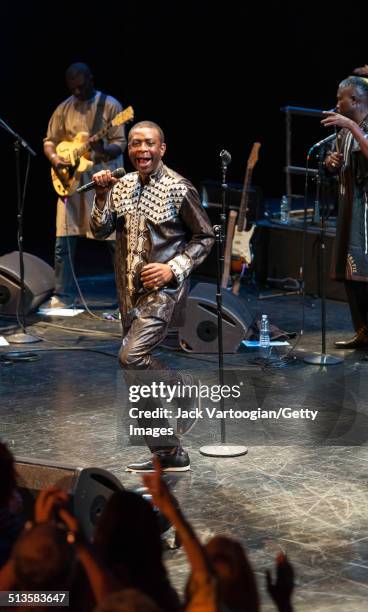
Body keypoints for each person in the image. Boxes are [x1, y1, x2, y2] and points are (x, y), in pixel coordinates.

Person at [90, 120, 215, 471]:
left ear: (162, 149)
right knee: (136, 379)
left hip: (163, 291)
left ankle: (185, 388)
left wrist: (172, 268)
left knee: (131, 357)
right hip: (129, 293)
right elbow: (98, 230)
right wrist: (101, 195)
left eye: (149, 144)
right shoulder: (123, 184)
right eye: (134, 144)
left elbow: (205, 237)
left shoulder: (179, 188)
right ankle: (168, 453)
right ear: (128, 150)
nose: (141, 150)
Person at [43, 62, 127, 308]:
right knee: (64, 240)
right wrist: (57, 160)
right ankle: (63, 296)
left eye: (81, 86)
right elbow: (50, 141)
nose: (77, 92)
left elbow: (120, 143)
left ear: (91, 79)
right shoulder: (64, 108)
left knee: (114, 241)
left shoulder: (111, 106)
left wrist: (102, 151)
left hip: (103, 180)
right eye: (73, 88)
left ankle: (126, 296)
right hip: (71, 183)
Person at [322, 76, 368, 348]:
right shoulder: (342, 133)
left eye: (341, 98)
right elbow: (333, 165)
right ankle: (363, 332)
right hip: (350, 211)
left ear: (356, 100)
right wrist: (330, 162)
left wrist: (352, 126)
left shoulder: (353, 127)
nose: (336, 103)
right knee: (352, 277)